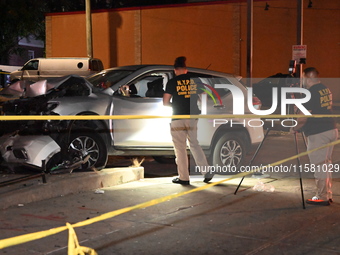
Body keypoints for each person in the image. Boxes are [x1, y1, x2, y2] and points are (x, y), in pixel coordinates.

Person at [290, 67, 338, 206]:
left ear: (308, 78)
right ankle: (327, 193)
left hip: (319, 133)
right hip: (330, 129)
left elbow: (303, 117)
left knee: (319, 165)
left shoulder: (310, 93)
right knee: (325, 164)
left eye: (303, 77)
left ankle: (321, 196)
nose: (302, 80)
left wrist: (294, 128)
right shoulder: (325, 89)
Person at [163, 56, 212, 185]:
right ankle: (206, 172)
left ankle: (184, 178)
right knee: (194, 144)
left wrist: (175, 105)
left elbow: (165, 102)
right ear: (186, 70)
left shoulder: (172, 82)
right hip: (192, 117)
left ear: (175, 70)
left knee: (180, 148)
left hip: (178, 117)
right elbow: (204, 96)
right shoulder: (195, 81)